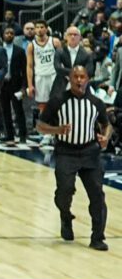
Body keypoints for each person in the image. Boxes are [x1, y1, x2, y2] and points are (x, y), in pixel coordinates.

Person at [36, 65, 110, 250]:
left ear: (87, 79)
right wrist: (57, 130)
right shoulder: (58, 101)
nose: (79, 80)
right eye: (75, 77)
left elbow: (107, 124)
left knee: (97, 195)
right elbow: (40, 125)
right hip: (66, 151)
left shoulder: (96, 102)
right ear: (69, 79)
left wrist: (105, 138)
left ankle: (97, 237)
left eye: (82, 77)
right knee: (64, 192)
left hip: (90, 152)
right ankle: (65, 216)